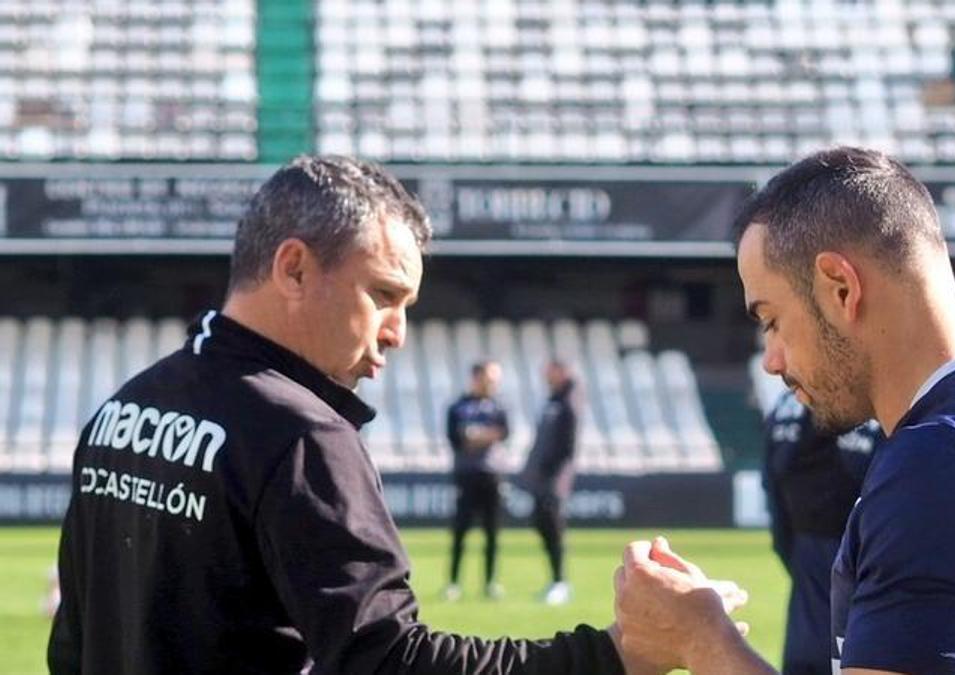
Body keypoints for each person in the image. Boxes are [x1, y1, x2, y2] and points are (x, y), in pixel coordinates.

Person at [47, 155, 634, 674]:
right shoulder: (300, 437)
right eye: (383, 295)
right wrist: (615, 655)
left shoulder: (121, 410)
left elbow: (73, 646)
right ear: (294, 269)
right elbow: (391, 661)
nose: (397, 333)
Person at [613, 146, 955, 675]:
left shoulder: (941, 466)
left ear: (840, 287)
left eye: (772, 320)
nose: (772, 359)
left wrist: (704, 640)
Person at [761, 391, 881, 675]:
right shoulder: (872, 400)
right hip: (863, 599)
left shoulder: (785, 407)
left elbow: (778, 516)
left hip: (808, 599)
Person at [444, 360, 509, 600]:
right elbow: (455, 438)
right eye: (489, 378)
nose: (493, 384)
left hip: (492, 475)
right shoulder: (457, 406)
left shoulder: (499, 406)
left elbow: (504, 433)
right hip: (466, 476)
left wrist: (474, 436)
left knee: (492, 532)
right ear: (476, 378)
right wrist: (485, 436)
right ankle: (453, 582)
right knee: (460, 531)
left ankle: (490, 582)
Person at [520, 359, 580, 605]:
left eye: (550, 371)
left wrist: (553, 475)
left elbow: (567, 447)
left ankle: (561, 582)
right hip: (541, 478)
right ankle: (556, 581)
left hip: (553, 480)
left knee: (554, 529)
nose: (546, 375)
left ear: (562, 372)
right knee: (542, 527)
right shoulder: (552, 401)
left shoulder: (569, 402)